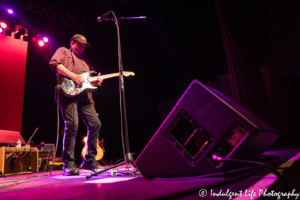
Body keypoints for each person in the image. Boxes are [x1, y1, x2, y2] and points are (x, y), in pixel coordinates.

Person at [49, 34, 103, 176]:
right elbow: (55, 64)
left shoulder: (85, 63)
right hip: (68, 93)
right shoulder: (64, 52)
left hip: (85, 97)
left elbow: (87, 81)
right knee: (72, 125)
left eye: (84, 46)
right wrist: (73, 76)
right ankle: (68, 163)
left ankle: (90, 160)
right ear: (72, 43)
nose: (83, 47)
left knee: (95, 124)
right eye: (80, 44)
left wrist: (95, 82)